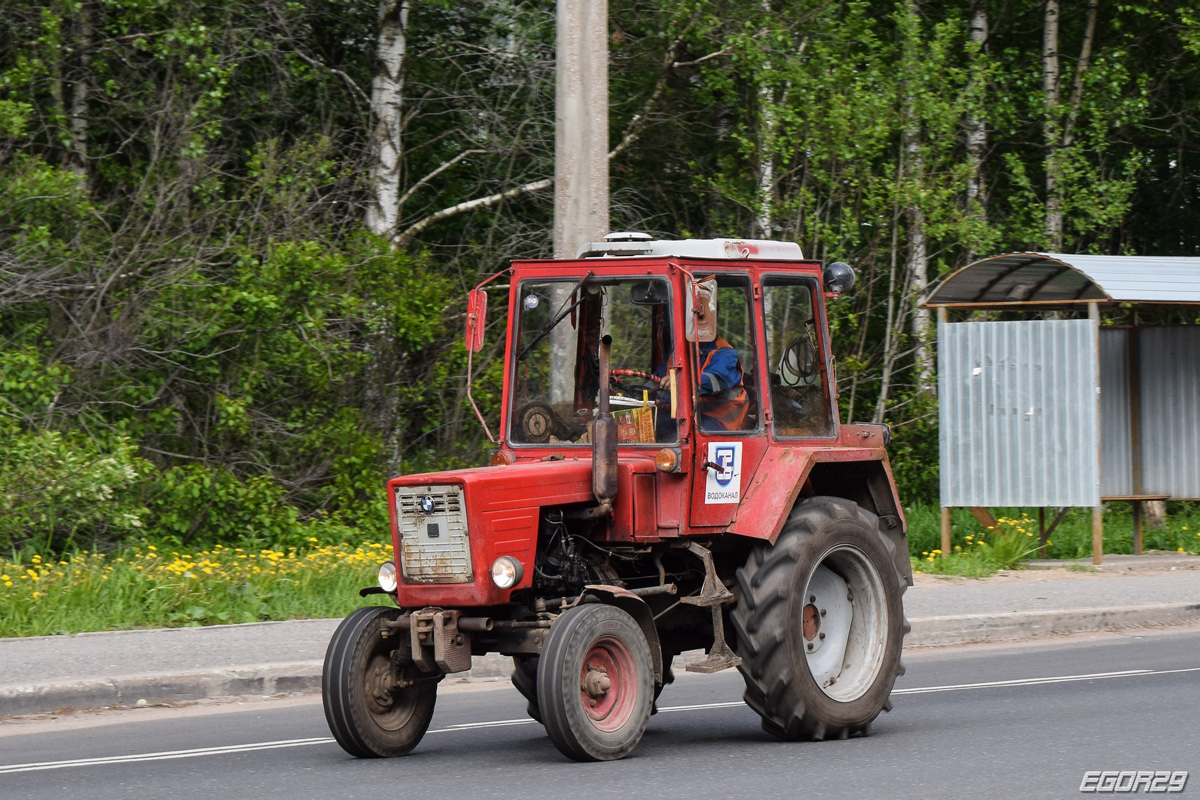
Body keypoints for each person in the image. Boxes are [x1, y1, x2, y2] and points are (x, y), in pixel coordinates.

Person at [654, 336, 750, 431]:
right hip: (683, 415)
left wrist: (680, 382)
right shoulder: (678, 351)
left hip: (718, 421)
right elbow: (657, 381)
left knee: (679, 434)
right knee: (651, 426)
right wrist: (641, 392)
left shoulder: (725, 353)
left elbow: (714, 381)